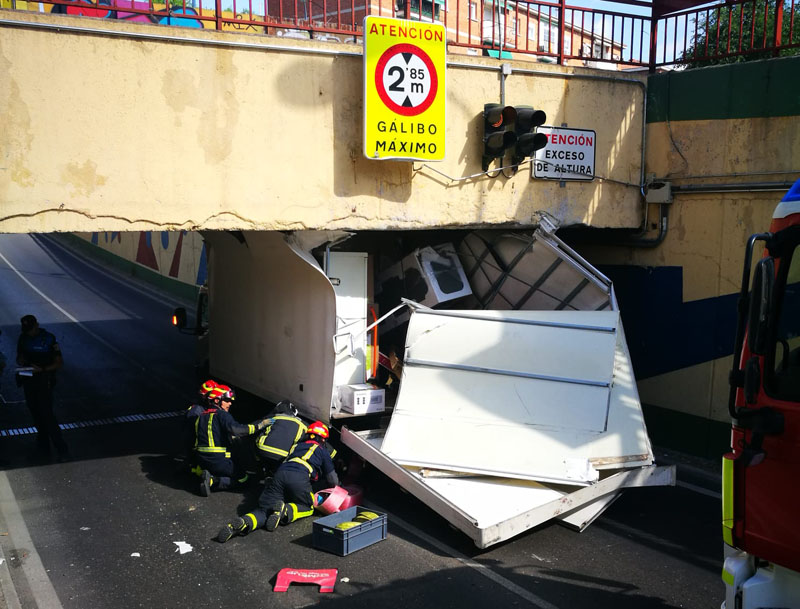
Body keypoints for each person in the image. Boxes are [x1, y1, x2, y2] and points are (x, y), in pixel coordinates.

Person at [217, 420, 338, 542]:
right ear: (323, 440)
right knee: (307, 506)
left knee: (264, 510)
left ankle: (244, 522)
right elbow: (332, 480)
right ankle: (285, 511)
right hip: (299, 476)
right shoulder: (322, 451)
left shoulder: (296, 446)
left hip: (279, 475)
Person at [194, 383, 268, 497]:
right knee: (244, 479)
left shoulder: (201, 416)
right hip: (218, 459)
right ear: (217, 400)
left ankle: (209, 475)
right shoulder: (222, 414)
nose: (230, 403)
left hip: (201, 459)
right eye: (227, 400)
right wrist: (259, 425)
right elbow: (237, 430)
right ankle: (213, 481)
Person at [16, 314, 69, 460]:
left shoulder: (49, 339)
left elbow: (59, 363)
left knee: (47, 414)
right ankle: (43, 445)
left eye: (30, 329)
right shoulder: (23, 338)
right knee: (35, 413)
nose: (29, 332)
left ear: (36, 325)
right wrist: (21, 361)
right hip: (28, 380)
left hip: (44, 380)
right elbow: (19, 357)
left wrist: (42, 369)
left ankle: (62, 448)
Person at [254, 400, 307, 477]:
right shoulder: (302, 425)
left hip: (263, 450)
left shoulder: (273, 418)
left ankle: (258, 469)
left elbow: (255, 427)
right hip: (282, 456)